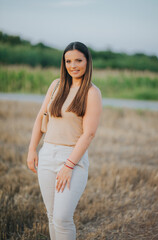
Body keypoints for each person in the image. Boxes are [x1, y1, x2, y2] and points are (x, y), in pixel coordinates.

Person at [27, 41, 102, 240]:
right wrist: (32, 149)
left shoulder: (92, 93)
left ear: (87, 62)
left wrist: (68, 166)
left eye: (78, 60)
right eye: (68, 61)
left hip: (72, 159)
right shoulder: (56, 85)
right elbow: (40, 117)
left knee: (62, 218)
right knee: (51, 216)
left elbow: (89, 134)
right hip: (47, 155)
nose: (73, 65)